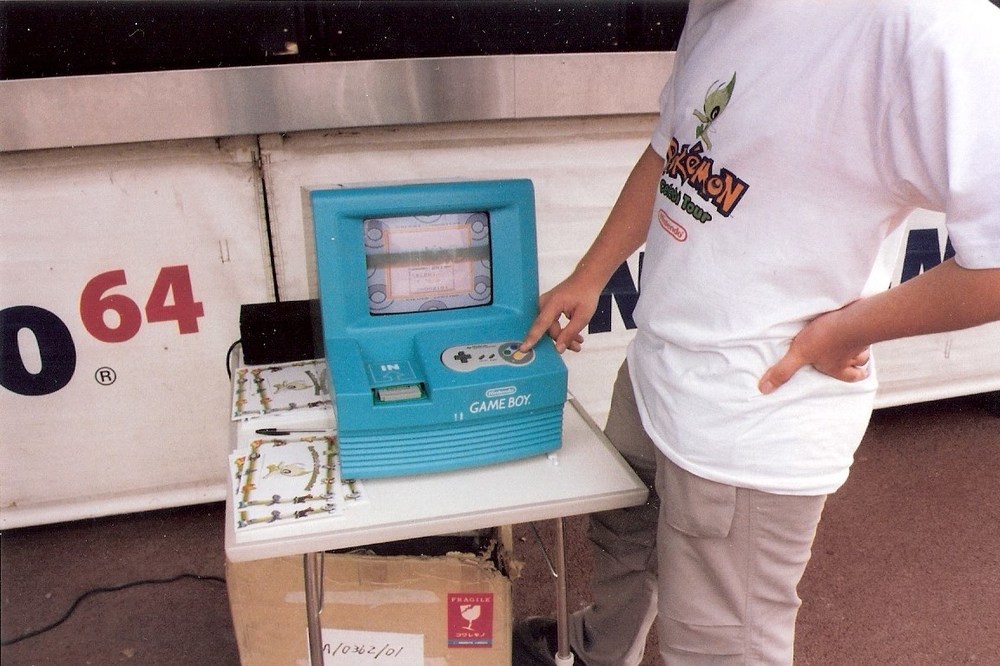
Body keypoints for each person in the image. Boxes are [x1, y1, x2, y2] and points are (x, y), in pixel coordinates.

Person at [513, 1, 1000, 664]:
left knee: (718, 645)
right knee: (624, 536)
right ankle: (598, 649)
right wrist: (591, 272)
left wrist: (848, 330)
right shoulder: (718, 8)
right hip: (660, 362)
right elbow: (674, 150)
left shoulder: (929, 26)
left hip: (756, 408)